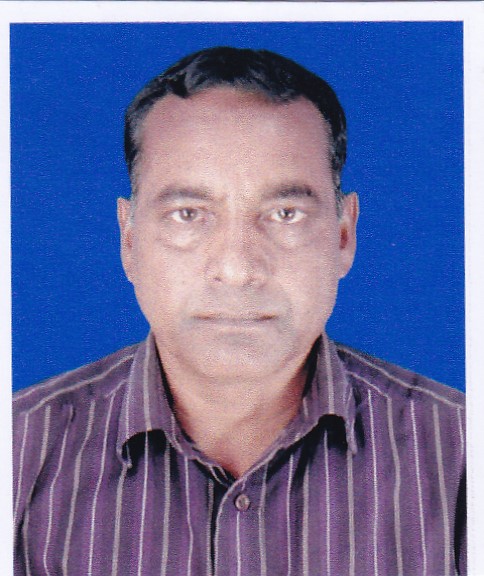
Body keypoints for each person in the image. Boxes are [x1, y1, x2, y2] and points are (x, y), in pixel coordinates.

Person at [13, 47, 465, 576]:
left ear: (343, 236)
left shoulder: (459, 455)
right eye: (188, 214)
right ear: (129, 240)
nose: (237, 268)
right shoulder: (18, 454)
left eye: (285, 213)